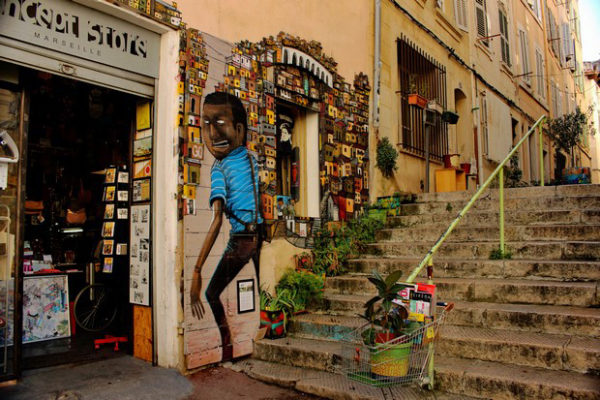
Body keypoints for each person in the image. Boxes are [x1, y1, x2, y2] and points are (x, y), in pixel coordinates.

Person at [189, 92, 263, 361]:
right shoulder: (252, 160)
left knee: (210, 292)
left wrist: (196, 270)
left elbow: (217, 219)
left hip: (242, 240)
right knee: (263, 291)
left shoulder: (219, 168)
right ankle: (266, 334)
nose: (211, 133)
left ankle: (228, 349)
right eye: (205, 124)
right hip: (260, 234)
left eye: (219, 122)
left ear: (240, 129)